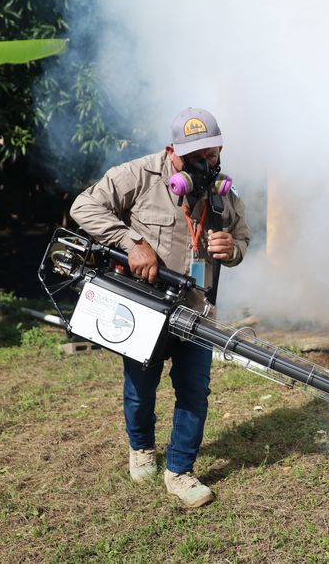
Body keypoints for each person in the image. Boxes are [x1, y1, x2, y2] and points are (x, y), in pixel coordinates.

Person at [69, 107, 250, 507]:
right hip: (144, 308)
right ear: (172, 152)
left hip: (197, 311)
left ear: (220, 150)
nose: (204, 164)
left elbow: (242, 238)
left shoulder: (224, 193)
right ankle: (141, 447)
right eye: (194, 157)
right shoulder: (139, 175)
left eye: (211, 154)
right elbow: (83, 207)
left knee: (195, 392)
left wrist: (233, 249)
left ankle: (180, 471)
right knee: (140, 389)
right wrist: (132, 243)